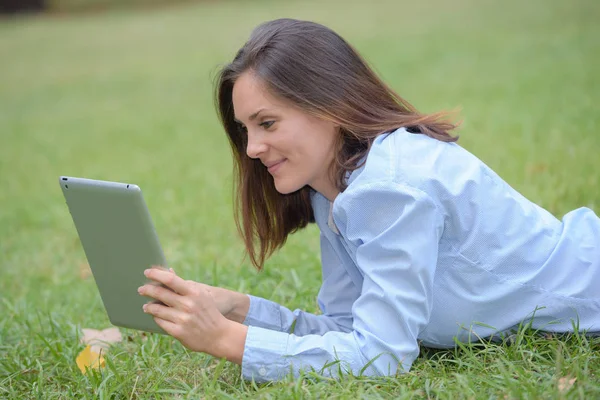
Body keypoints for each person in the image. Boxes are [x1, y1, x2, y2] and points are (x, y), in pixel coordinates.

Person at [137, 18, 600, 383]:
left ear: (329, 105)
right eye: (245, 130)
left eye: (268, 123)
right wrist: (240, 310)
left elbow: (380, 356)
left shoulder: (390, 187)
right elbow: (348, 329)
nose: (252, 148)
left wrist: (227, 341)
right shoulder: (334, 189)